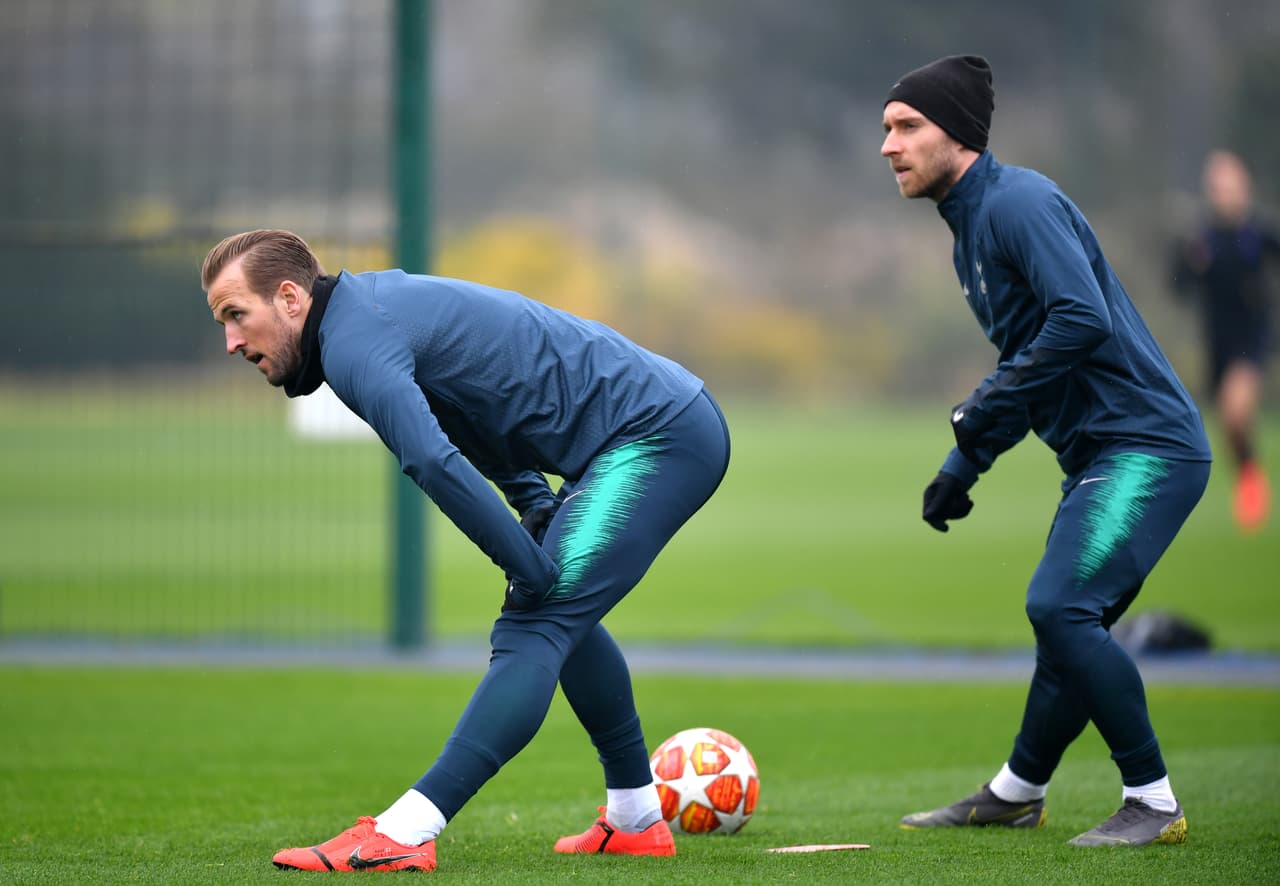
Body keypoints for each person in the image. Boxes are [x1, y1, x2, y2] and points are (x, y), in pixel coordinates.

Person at [201, 229, 731, 872]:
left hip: (659, 436)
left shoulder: (353, 341)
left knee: (536, 621)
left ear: (289, 297)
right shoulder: (358, 319)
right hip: (651, 428)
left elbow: (431, 457)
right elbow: (466, 408)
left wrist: (525, 562)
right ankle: (636, 818)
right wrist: (533, 507)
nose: (231, 341)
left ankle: (405, 831)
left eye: (237, 315)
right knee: (560, 615)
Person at [880, 56, 1212, 847]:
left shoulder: (1019, 203)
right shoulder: (971, 227)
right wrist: (965, 462)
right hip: (1100, 454)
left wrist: (980, 412)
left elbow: (1081, 320)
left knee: (1061, 609)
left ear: (956, 134)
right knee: (1069, 628)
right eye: (886, 128)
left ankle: (1154, 801)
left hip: (1145, 448)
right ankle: (1016, 792)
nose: (887, 146)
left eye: (906, 126)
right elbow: (1028, 361)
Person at [1172, 149, 1278, 533]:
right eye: (1215, 184)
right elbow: (1178, 283)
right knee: (1230, 427)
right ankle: (1249, 473)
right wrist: (1188, 261)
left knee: (1236, 410)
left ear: (1244, 185)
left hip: (1253, 340)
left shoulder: (1260, 233)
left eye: (1228, 182)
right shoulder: (1204, 237)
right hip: (1216, 342)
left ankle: (1252, 487)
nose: (1222, 191)